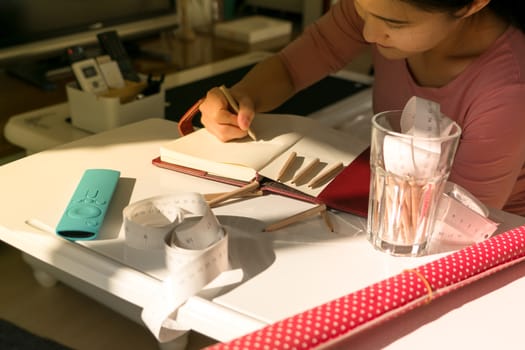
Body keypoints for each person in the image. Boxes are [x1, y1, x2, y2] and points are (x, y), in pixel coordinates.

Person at [198, 0, 525, 215]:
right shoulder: (380, 5)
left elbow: (460, 220)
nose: (368, 32)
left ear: (472, 4)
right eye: (359, 9)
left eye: (393, 24)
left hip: (487, 241)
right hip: (398, 205)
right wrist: (241, 97)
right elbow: (291, 68)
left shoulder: (509, 89)